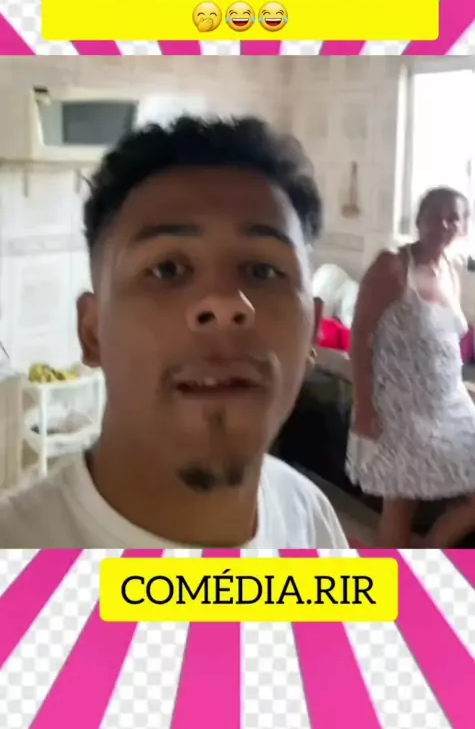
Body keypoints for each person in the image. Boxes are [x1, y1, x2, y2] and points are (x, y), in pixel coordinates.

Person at [0, 115, 348, 549]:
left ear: (313, 331)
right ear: (92, 332)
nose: (226, 305)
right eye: (167, 269)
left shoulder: (309, 520)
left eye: (262, 270)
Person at [347, 187, 475, 548]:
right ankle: (401, 573)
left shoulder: (451, 270)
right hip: (399, 406)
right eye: (435, 214)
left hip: (449, 402)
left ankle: (427, 555)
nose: (444, 224)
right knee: (402, 500)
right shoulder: (392, 266)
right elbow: (359, 336)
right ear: (419, 219)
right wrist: (364, 406)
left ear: (463, 226)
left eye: (453, 217)